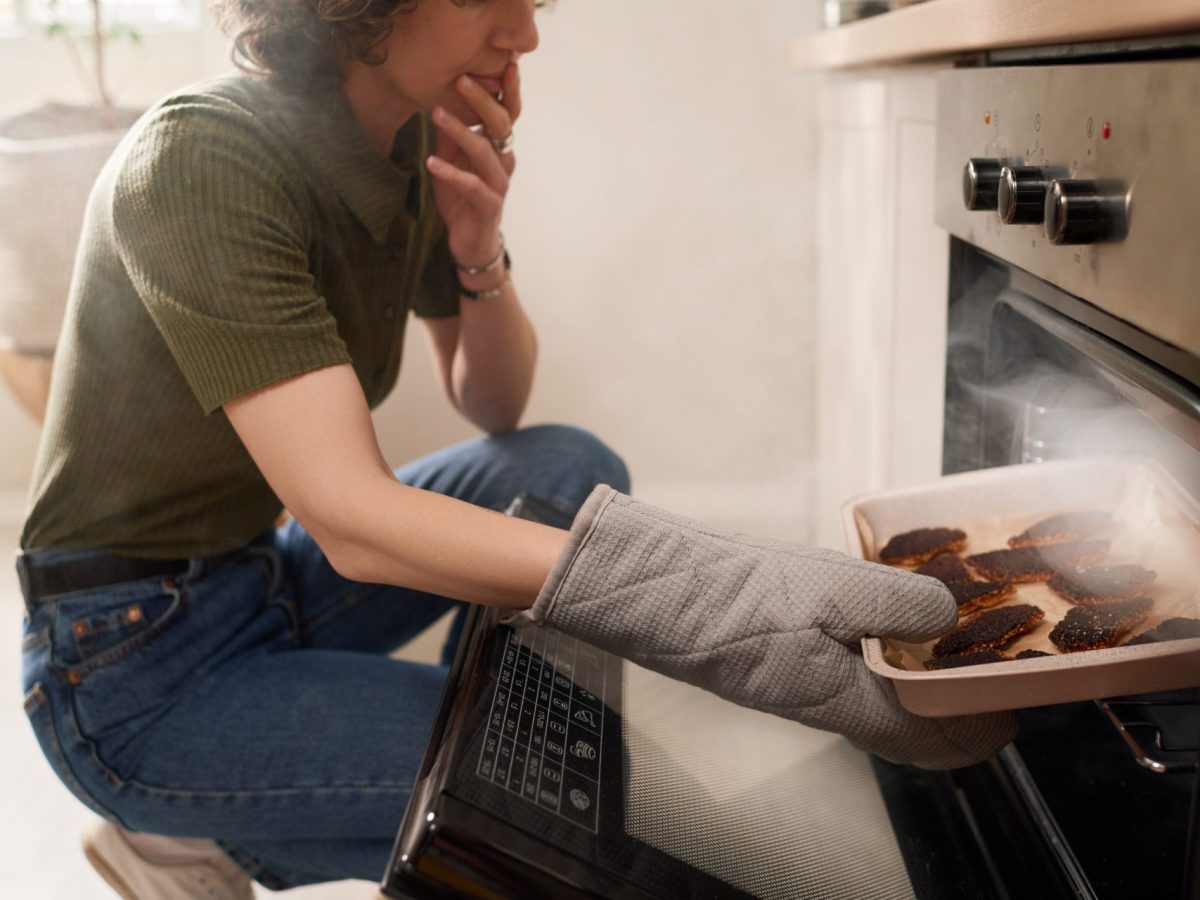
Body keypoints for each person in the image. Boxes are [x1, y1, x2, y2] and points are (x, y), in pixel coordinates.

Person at [16, 1, 1016, 896]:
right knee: (519, 805)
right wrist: (713, 594)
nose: (525, 33)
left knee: (560, 467)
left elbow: (495, 404)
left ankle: (336, 774)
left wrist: (476, 242)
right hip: (128, 666)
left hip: (256, 578)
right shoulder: (203, 162)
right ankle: (209, 822)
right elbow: (355, 523)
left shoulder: (399, 144)